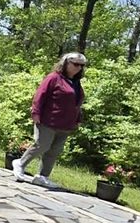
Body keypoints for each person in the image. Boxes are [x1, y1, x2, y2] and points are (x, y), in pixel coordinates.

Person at [13, 52, 87, 189]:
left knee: (54, 151)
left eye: (81, 65)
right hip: (48, 120)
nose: (79, 68)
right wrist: (35, 112)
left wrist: (77, 119)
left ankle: (42, 176)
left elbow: (76, 103)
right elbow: (40, 95)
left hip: (66, 124)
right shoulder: (53, 78)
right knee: (42, 144)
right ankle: (20, 163)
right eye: (76, 64)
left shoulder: (76, 83)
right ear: (66, 63)